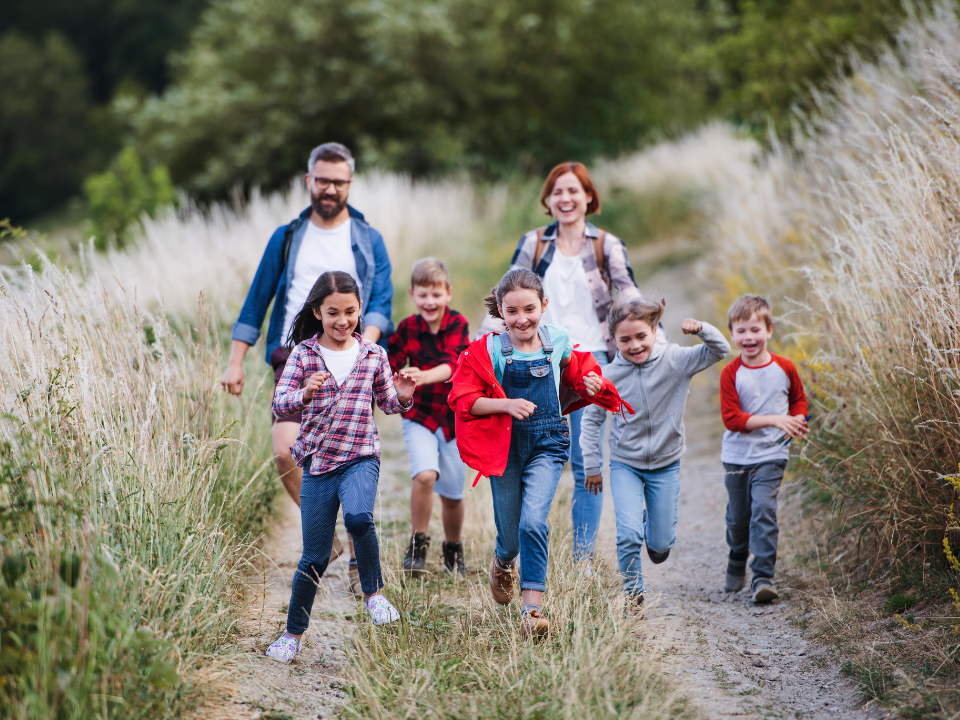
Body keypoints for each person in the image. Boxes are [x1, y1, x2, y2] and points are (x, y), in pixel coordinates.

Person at [220, 142, 394, 597]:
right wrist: (236, 360)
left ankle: (360, 555)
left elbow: (380, 306)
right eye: (323, 180)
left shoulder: (368, 239)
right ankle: (327, 540)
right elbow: (257, 299)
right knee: (285, 452)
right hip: (293, 357)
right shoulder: (288, 236)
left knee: (352, 456)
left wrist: (359, 353)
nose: (330, 188)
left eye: (339, 181)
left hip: (353, 363)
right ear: (308, 181)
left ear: (349, 183)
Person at [479, 162, 655, 564]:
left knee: (584, 457)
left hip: (590, 357)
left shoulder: (606, 245)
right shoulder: (535, 242)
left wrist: (652, 338)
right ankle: (518, 541)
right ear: (548, 200)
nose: (566, 198)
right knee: (523, 449)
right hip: (535, 356)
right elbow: (505, 295)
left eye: (574, 191)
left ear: (589, 197)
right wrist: (482, 347)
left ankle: (582, 558)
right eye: (557, 192)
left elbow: (627, 292)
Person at [449, 269, 630, 640]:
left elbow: (577, 370)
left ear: (543, 306)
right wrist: (504, 405)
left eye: (529, 309)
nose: (521, 319)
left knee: (534, 520)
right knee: (511, 534)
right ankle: (503, 561)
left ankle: (532, 610)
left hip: (548, 442)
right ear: (500, 310)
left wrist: (590, 381)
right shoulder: (488, 350)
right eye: (511, 311)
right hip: (506, 448)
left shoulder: (557, 339)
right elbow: (463, 399)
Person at [265, 271, 414, 664]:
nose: (343, 320)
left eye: (350, 311)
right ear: (317, 312)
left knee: (360, 518)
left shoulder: (373, 354)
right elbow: (280, 405)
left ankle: (374, 594)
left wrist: (403, 397)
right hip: (318, 463)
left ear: (360, 309)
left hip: (361, 456)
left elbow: (388, 404)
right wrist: (305, 392)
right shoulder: (303, 354)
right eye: (333, 313)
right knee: (313, 557)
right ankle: (292, 635)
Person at [580, 298, 729, 616]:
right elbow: (591, 421)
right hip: (625, 465)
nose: (634, 345)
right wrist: (592, 464)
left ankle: (652, 530)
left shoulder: (675, 360)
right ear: (613, 341)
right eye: (625, 340)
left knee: (660, 547)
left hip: (665, 464)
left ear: (654, 331)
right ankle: (632, 594)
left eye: (641, 337)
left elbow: (720, 350)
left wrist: (703, 330)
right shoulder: (607, 376)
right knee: (627, 534)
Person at [719, 294, 808, 603]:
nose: (748, 337)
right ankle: (737, 553)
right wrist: (775, 419)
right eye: (741, 331)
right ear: (731, 333)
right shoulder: (731, 373)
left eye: (755, 330)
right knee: (738, 518)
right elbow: (732, 419)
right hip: (736, 457)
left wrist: (796, 418)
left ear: (770, 330)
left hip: (772, 454)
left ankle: (762, 578)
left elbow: (798, 399)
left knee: (764, 512)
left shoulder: (785, 367)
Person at [388, 258, 470, 576]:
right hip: (418, 414)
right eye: (423, 295)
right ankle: (418, 544)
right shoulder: (407, 328)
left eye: (436, 294)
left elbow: (453, 365)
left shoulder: (458, 324)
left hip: (452, 418)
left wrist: (421, 375)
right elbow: (391, 363)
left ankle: (453, 548)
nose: (430, 302)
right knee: (425, 475)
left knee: (452, 493)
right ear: (412, 294)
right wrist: (399, 384)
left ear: (448, 293)